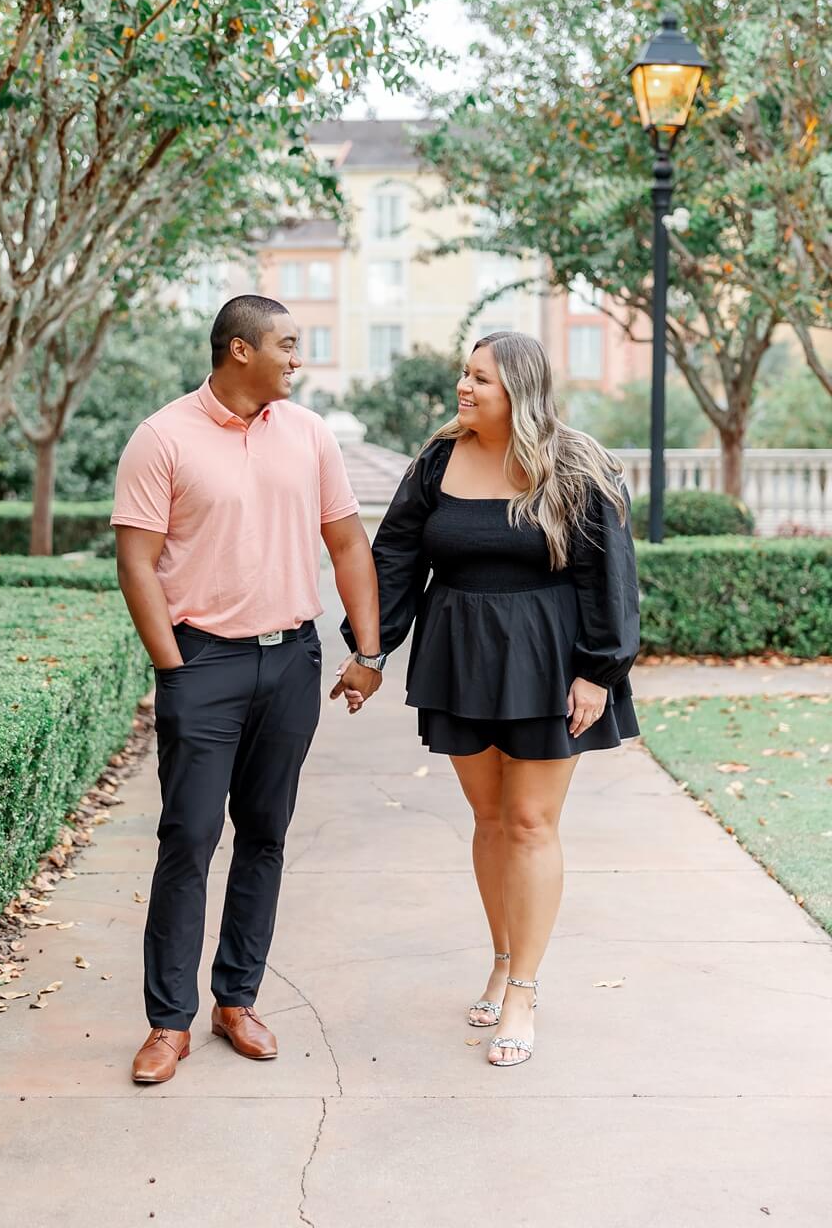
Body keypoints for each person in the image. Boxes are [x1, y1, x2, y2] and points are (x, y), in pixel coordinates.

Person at [340, 330, 640, 1067]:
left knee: (532, 822)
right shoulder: (438, 460)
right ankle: (503, 956)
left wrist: (599, 672)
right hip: (461, 654)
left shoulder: (575, 465)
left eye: (481, 380)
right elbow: (396, 557)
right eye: (463, 375)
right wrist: (370, 650)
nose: (464, 389)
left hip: (548, 660)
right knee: (489, 817)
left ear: (521, 393)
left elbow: (609, 576)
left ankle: (525, 991)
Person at [112, 295, 384, 1085]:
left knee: (264, 835)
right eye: (286, 345)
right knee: (188, 840)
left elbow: (346, 543)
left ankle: (237, 1000)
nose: (298, 359)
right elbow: (137, 561)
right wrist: (173, 667)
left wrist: (367, 649)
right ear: (239, 350)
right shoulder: (162, 437)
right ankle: (169, 1023)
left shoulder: (309, 435)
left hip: (290, 659)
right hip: (204, 664)